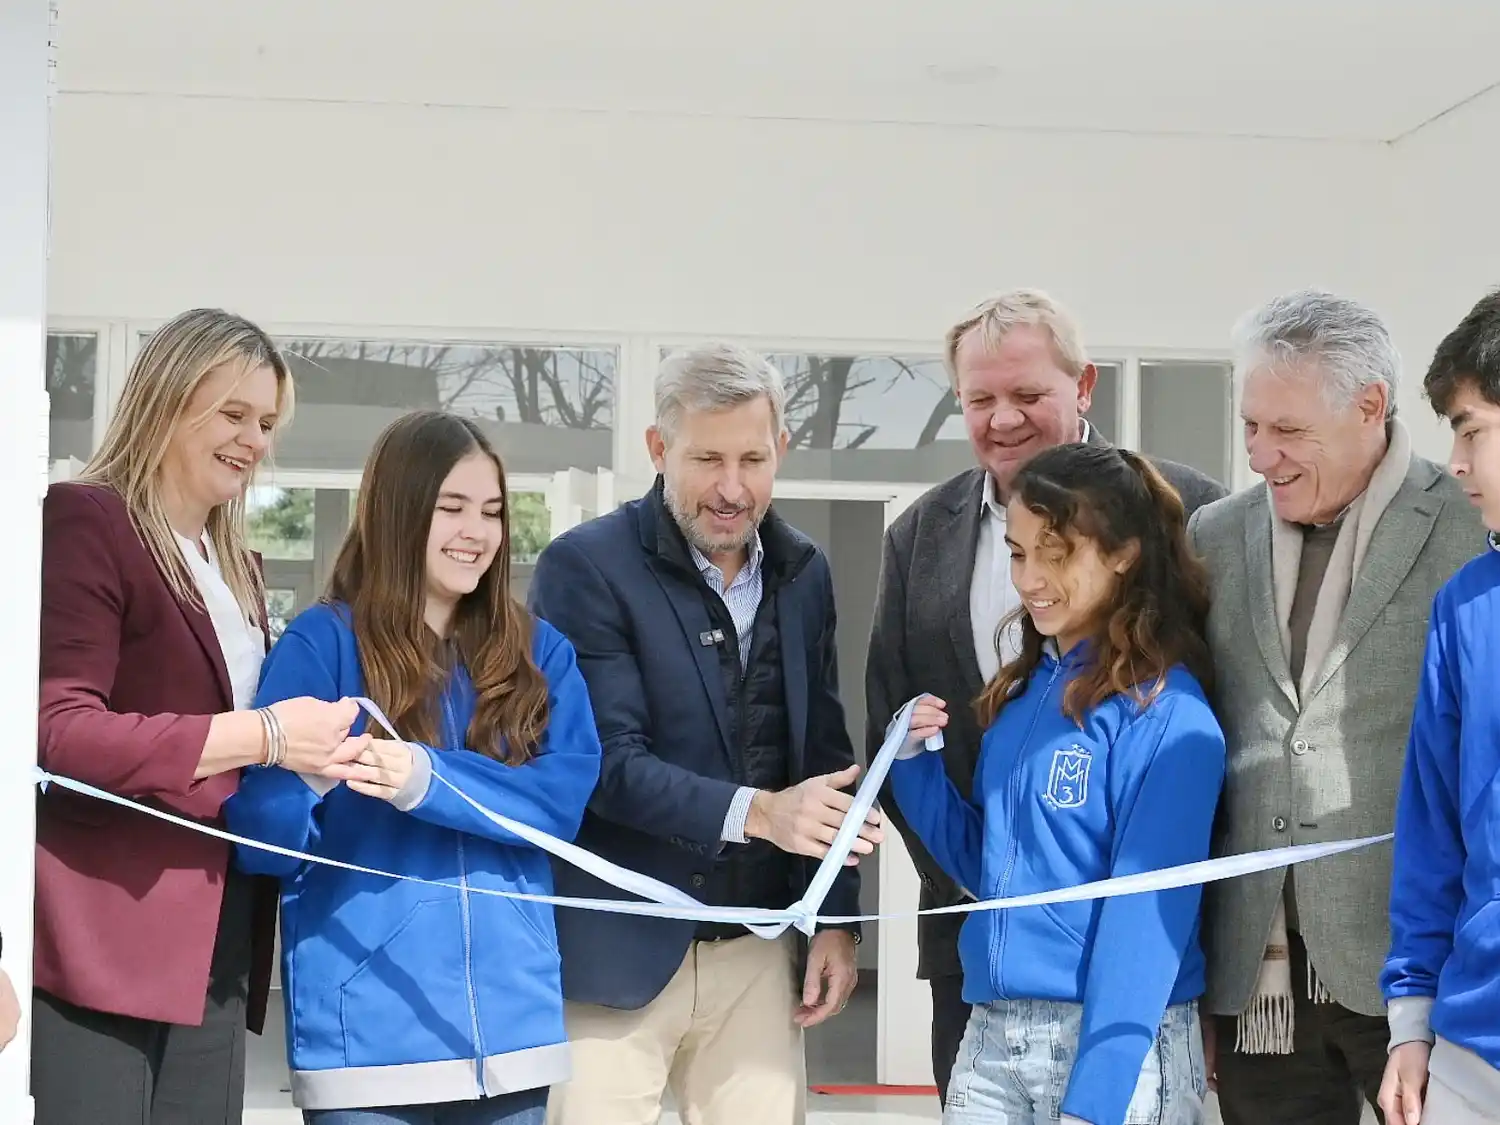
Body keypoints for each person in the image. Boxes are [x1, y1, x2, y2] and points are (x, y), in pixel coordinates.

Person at [866, 288, 1228, 1102]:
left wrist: (1105, 1083)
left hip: (1115, 1023)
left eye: (1027, 395)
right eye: (979, 399)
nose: (1031, 578)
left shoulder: (1170, 701)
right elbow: (989, 853)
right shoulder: (1017, 692)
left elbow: (1150, 901)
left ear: (1083, 385)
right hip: (989, 1008)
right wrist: (913, 760)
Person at [224, 410, 602, 1125]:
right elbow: (259, 839)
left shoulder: (538, 651)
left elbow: (560, 804)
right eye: (450, 507)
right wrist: (312, 771)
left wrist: (426, 779)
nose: (477, 531)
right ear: (397, 512)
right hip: (366, 1044)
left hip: (511, 1040)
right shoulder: (321, 643)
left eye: (491, 511)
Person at [529, 342, 874, 1125]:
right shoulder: (584, 568)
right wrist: (760, 811)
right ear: (658, 449)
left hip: (757, 952)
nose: (731, 487)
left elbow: (824, 756)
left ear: (780, 449)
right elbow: (606, 764)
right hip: (614, 954)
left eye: (753, 458)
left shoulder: (805, 573)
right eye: (706, 457)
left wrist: (836, 921)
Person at [34, 308, 364, 1124]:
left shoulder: (239, 570)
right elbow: (59, 729)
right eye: (233, 413)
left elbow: (235, 751)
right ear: (168, 398)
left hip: (220, 937)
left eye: (265, 422)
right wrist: (266, 734)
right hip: (102, 937)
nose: (254, 439)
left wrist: (302, 758)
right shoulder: (87, 520)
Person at [1188, 288, 1484, 1125]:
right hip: (1257, 973)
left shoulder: (1467, 524)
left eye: (1287, 432)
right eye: (1251, 426)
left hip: (1413, 964)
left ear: (1370, 407)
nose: (1260, 454)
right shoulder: (1213, 535)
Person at [1380, 288, 1500, 1125]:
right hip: (1469, 1050)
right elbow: (1431, 831)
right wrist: (1410, 1023)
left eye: (1471, 429)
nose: (1454, 462)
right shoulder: (1465, 606)